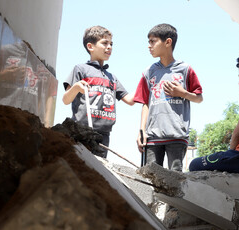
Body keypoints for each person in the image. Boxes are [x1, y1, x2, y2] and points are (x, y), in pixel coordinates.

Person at [134, 23, 203, 171]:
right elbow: (145, 103)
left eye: (153, 41)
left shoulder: (185, 69)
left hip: (177, 136)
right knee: (151, 179)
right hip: (152, 137)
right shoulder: (148, 72)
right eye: (149, 42)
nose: (149, 46)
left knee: (175, 179)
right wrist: (142, 131)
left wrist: (182, 93)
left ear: (168, 42)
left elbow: (199, 98)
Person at [62, 25, 134, 158]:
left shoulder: (112, 77)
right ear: (90, 46)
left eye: (111, 44)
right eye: (105, 43)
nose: (109, 47)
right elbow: (66, 99)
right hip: (82, 130)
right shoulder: (80, 69)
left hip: (104, 133)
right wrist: (76, 87)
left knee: (99, 169)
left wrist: (147, 84)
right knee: (82, 166)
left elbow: (130, 100)